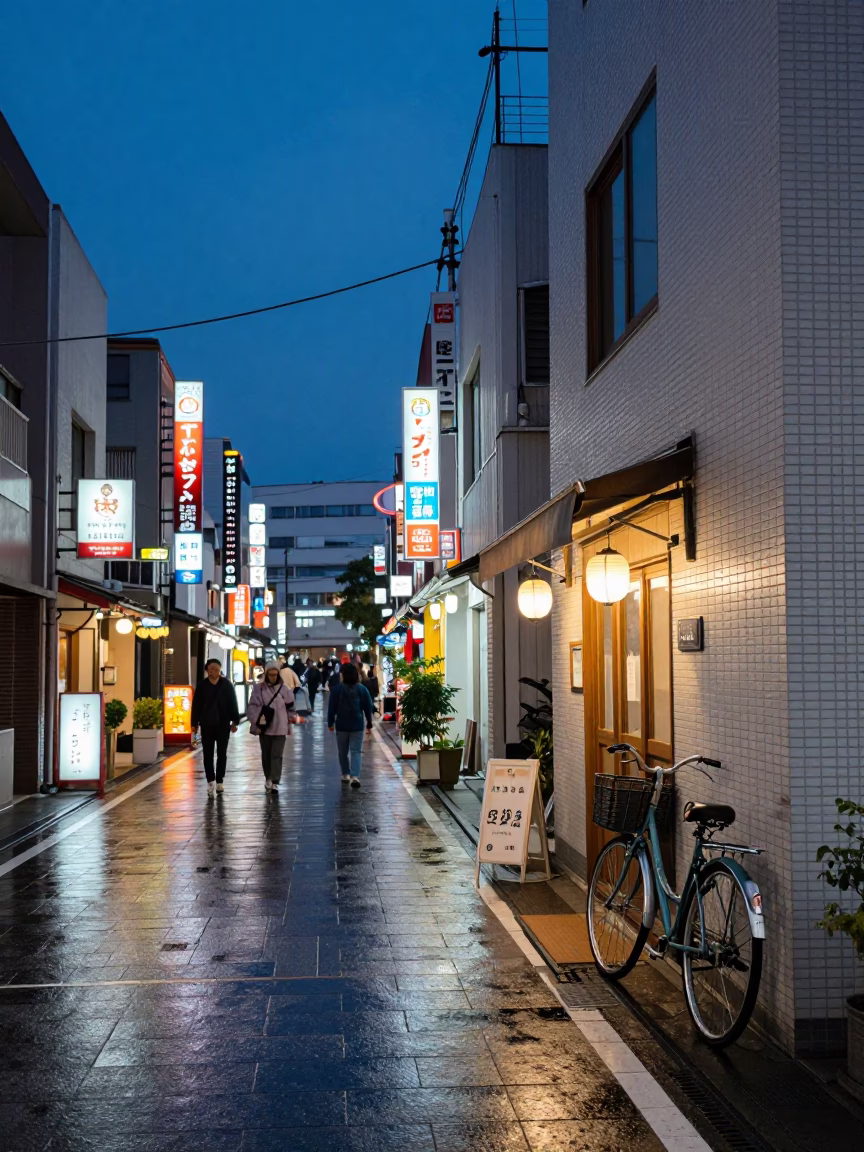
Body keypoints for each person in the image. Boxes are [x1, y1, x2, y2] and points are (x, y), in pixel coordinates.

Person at [191, 658, 240, 798]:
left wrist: (235, 721)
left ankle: (220, 780)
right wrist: (194, 723)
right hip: (206, 725)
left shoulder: (227, 685)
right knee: (207, 754)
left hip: (223, 724)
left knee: (222, 753)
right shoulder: (202, 686)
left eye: (217, 667)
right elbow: (196, 705)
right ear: (207, 670)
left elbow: (233, 703)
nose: (214, 670)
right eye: (211, 668)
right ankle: (210, 780)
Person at [248, 661, 295, 794]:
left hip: (280, 727)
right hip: (265, 726)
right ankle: (268, 776)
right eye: (271, 674)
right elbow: (252, 705)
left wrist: (290, 719)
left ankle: (275, 780)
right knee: (266, 754)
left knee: (277, 754)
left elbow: (291, 706)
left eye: (275, 674)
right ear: (266, 674)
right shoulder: (259, 689)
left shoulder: (284, 689)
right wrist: (256, 720)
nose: (273, 677)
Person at [328, 662, 373, 788]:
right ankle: (355, 776)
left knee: (342, 752)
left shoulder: (337, 689)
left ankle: (345, 774)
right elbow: (368, 707)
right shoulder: (362, 689)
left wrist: (330, 722)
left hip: (341, 725)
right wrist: (369, 722)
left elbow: (332, 708)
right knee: (356, 751)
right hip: (357, 724)